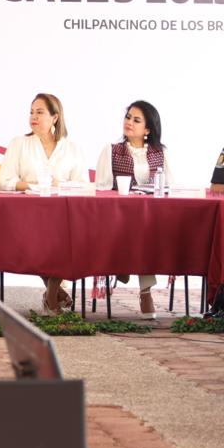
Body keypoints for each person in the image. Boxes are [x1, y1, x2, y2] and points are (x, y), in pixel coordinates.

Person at [0, 93, 88, 315]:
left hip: (62, 215)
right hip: (27, 215)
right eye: (31, 112)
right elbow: (4, 181)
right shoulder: (19, 143)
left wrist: (60, 185)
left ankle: (50, 295)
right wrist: (33, 185)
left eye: (39, 112)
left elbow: (82, 185)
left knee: (63, 238)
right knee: (40, 239)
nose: (33, 117)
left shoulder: (72, 148)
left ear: (55, 117)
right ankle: (54, 293)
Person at [95, 100, 171, 320]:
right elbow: (102, 188)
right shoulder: (111, 150)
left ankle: (141, 287)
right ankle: (135, 277)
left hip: (149, 218)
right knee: (141, 234)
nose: (129, 122)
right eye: (128, 117)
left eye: (136, 120)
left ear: (147, 129)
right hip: (118, 218)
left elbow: (169, 187)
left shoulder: (160, 153)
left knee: (146, 232)